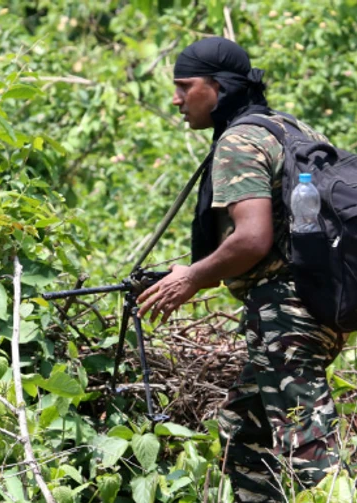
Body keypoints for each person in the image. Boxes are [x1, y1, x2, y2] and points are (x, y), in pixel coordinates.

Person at [136, 37, 345, 502]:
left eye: (184, 86)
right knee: (242, 438)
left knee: (310, 448)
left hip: (286, 314)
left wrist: (192, 277)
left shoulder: (239, 139)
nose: (176, 99)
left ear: (219, 86)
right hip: (324, 304)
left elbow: (253, 238)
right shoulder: (293, 128)